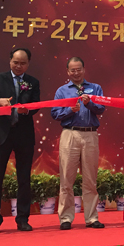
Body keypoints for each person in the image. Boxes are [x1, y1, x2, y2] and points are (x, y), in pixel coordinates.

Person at [0, 48, 41, 234]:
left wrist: (28, 109)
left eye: (22, 63)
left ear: (28, 64)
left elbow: (36, 105)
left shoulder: (32, 82)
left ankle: (23, 219)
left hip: (24, 134)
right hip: (2, 133)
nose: (19, 66)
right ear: (10, 61)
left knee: (24, 178)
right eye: (16, 62)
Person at [50, 57, 106, 230]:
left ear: (84, 69)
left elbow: (102, 108)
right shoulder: (62, 91)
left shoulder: (95, 88)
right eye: (72, 70)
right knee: (66, 178)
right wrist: (69, 110)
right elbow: (55, 113)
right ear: (68, 71)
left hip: (90, 134)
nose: (76, 73)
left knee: (90, 178)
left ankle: (91, 218)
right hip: (70, 134)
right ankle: (66, 218)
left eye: (79, 69)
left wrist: (89, 104)